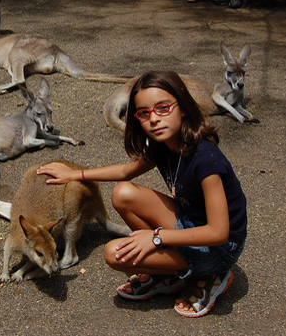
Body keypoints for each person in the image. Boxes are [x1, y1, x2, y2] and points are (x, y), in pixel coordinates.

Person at [36, 70, 247, 318]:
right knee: (123, 193)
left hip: (220, 247)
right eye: (144, 113)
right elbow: (126, 172)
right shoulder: (164, 144)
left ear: (183, 107)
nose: (154, 119)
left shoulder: (206, 159)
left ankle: (211, 274)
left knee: (114, 254)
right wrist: (75, 174)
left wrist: (156, 238)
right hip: (191, 221)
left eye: (163, 108)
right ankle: (170, 274)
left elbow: (218, 232)